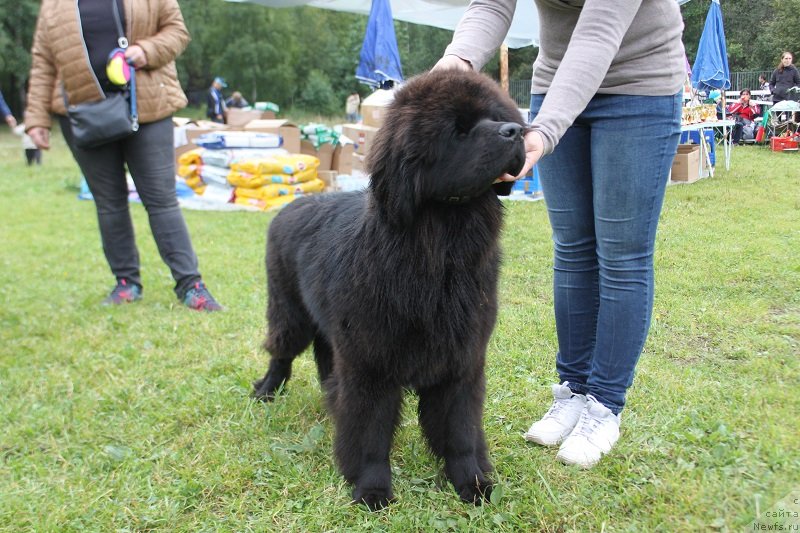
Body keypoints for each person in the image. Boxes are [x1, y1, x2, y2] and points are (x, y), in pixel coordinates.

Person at [436, 0, 685, 468]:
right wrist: (457, 61)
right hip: (555, 83)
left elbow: (597, 34)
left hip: (640, 88)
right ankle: (572, 391)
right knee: (572, 249)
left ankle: (604, 405)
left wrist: (544, 131)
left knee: (622, 255)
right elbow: (491, 3)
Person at [25, 0, 222, 311]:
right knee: (109, 203)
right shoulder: (54, 5)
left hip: (148, 105)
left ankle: (191, 284)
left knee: (160, 199)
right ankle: (126, 283)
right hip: (83, 114)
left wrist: (148, 51)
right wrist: (36, 118)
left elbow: (177, 31)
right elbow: (43, 62)